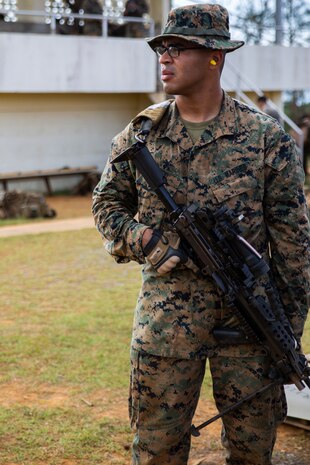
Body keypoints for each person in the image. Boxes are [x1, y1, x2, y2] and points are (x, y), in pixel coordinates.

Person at [92, 4, 310, 465]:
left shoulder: (265, 139)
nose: (164, 58)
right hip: (165, 327)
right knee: (157, 453)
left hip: (251, 326)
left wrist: (287, 336)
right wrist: (143, 240)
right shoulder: (141, 136)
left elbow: (293, 247)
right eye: (161, 48)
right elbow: (106, 205)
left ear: (215, 56)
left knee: (252, 454)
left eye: (178, 48)